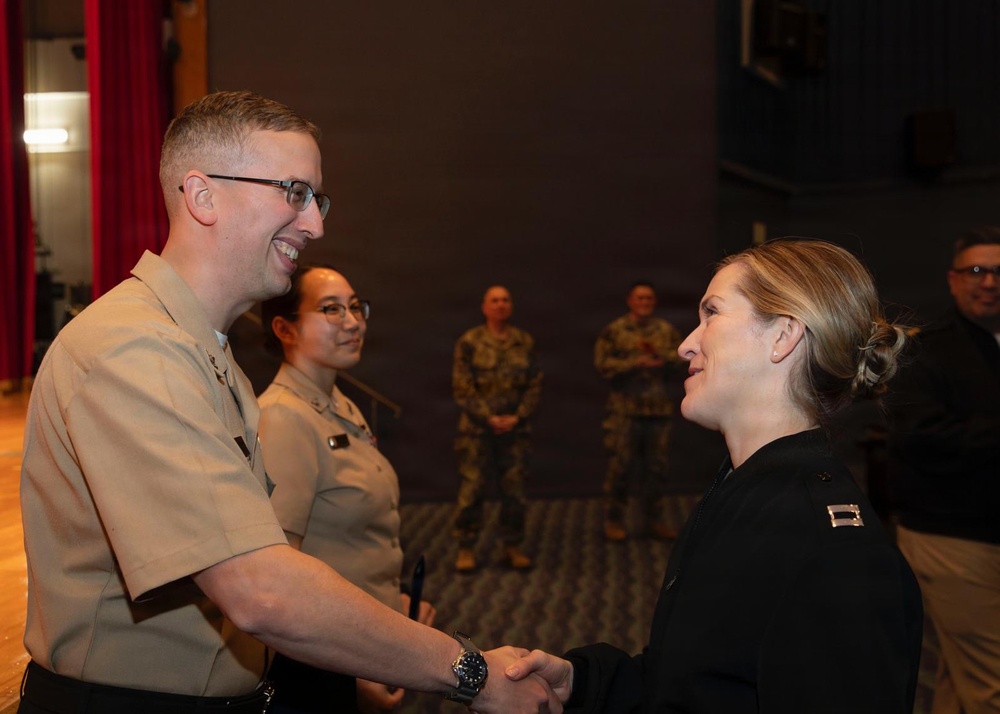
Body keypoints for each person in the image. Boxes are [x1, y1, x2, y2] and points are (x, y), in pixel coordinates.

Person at [18, 90, 556, 714]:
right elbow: (259, 590)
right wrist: (469, 673)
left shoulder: (205, 352)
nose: (315, 225)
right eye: (293, 192)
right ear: (203, 196)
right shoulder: (133, 349)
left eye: (316, 199)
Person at [505, 239, 924, 713]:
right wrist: (583, 683)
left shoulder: (833, 554)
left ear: (783, 335)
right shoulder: (741, 491)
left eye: (712, 313)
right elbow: (696, 683)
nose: (685, 344)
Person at [258, 265, 437, 713]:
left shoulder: (338, 403)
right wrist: (353, 669)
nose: (353, 322)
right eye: (331, 309)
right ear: (285, 328)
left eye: (356, 307)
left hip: (363, 638)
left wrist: (390, 600)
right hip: (325, 661)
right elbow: (279, 580)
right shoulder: (283, 418)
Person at [888, 226, 1000, 714]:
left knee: (963, 676)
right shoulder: (923, 351)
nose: (989, 282)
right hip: (949, 536)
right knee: (992, 684)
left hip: (990, 531)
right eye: (977, 270)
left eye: (999, 272)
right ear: (954, 280)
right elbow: (919, 437)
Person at [452, 285, 542, 573]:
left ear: (510, 306)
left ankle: (512, 546)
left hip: (515, 431)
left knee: (514, 492)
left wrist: (519, 416)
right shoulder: (470, 341)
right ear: (485, 306)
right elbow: (462, 386)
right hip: (477, 431)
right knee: (472, 489)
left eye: (505, 300)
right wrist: (487, 417)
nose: (500, 305)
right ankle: (466, 546)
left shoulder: (524, 342)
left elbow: (535, 384)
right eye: (495, 300)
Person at [594, 281, 684, 541]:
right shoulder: (615, 330)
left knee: (657, 469)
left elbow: (683, 359)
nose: (645, 303)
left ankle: (654, 520)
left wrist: (662, 359)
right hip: (625, 411)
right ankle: (614, 520)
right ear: (630, 301)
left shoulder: (666, 331)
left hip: (658, 410)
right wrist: (635, 363)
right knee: (620, 467)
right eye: (640, 298)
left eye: (649, 298)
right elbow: (602, 364)